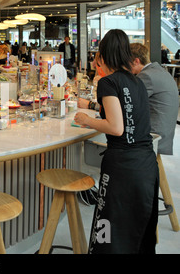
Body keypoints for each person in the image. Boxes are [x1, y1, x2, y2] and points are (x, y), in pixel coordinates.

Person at [74, 29, 158, 254]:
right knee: (138, 228)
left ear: (103, 55)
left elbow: (116, 127)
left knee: (110, 228)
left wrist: (86, 120)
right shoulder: (137, 81)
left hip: (122, 167)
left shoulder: (108, 82)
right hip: (147, 165)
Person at [130, 43, 179, 155]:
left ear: (136, 61)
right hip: (166, 131)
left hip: (154, 134)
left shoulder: (146, 76)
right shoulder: (159, 71)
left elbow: (129, 102)